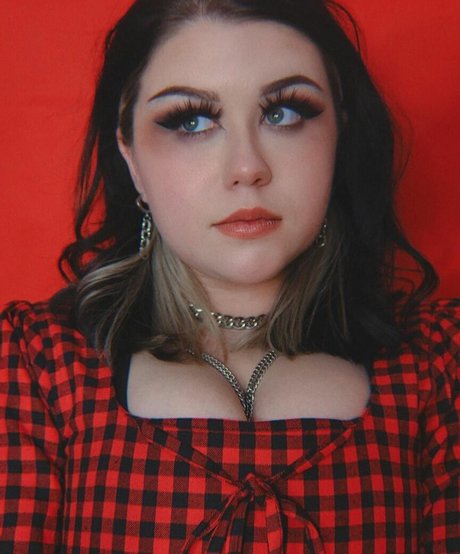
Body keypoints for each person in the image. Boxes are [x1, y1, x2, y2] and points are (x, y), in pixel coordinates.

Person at [0, 0, 458, 551]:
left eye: (284, 112)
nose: (247, 168)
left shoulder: (440, 367)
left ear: (339, 133)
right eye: (191, 121)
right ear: (130, 155)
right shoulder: (35, 369)